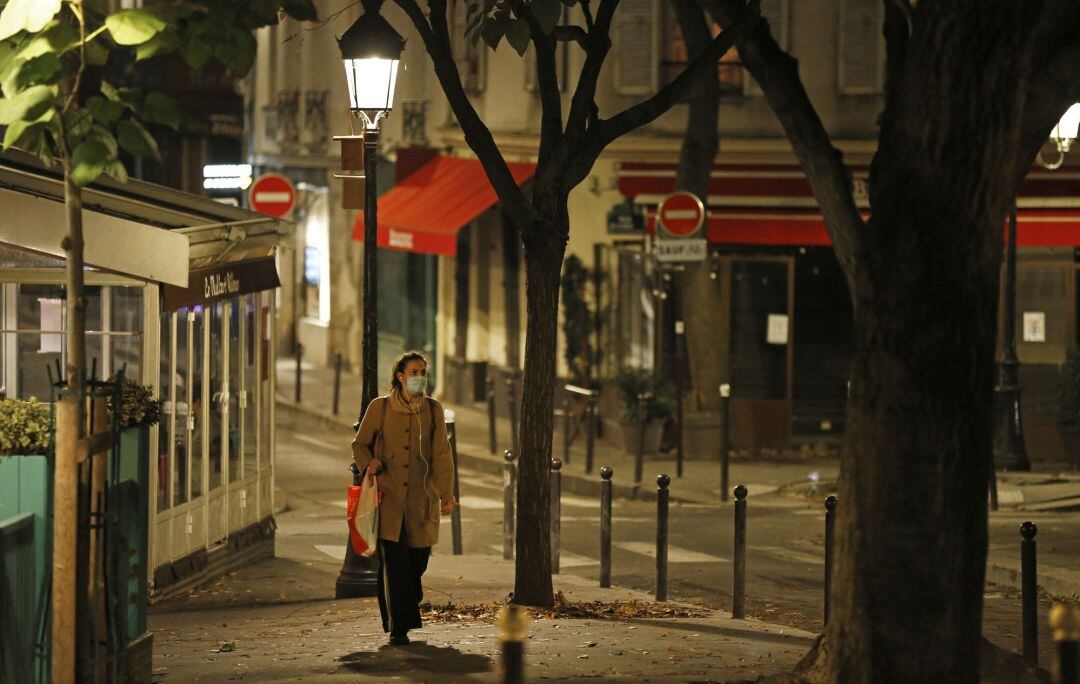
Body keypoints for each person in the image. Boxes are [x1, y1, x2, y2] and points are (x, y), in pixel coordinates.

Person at [351, 351, 459, 646]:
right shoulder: (381, 407)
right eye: (414, 372)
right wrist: (369, 464)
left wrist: (446, 494)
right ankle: (398, 626)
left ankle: (409, 598)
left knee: (417, 563)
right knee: (394, 565)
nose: (419, 377)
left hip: (421, 501)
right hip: (389, 500)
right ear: (400, 376)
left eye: (423, 372)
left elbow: (442, 455)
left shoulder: (433, 410)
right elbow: (360, 445)